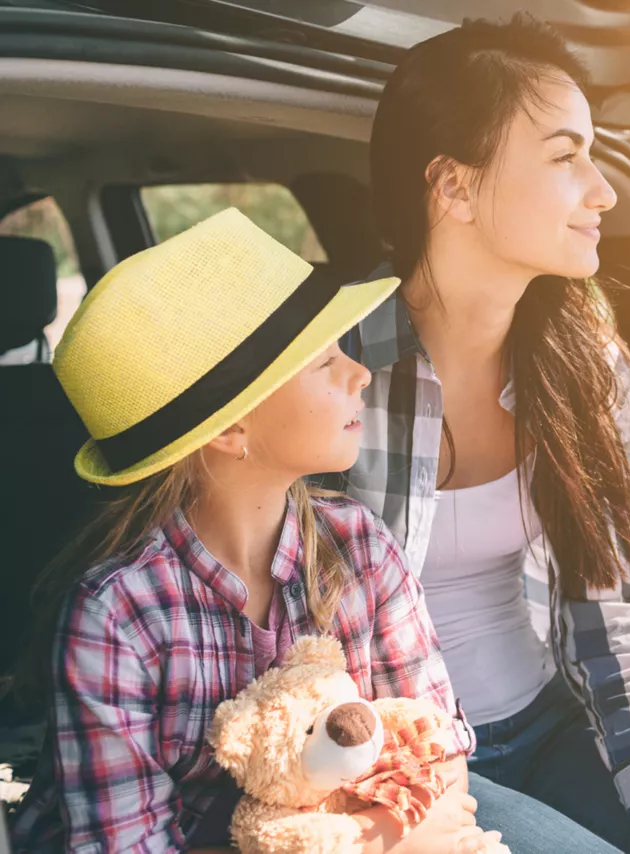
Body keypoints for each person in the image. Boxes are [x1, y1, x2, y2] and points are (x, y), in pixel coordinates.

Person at [323, 14, 630, 854]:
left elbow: (614, 624)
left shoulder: (586, 367)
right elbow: (286, 649)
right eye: (566, 155)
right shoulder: (333, 366)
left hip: (553, 722)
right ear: (454, 188)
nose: (602, 189)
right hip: (404, 759)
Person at [7, 209, 504, 854]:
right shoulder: (116, 620)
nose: (360, 373)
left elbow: (436, 753)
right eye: (324, 361)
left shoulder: (360, 547)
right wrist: (373, 841)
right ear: (230, 430)